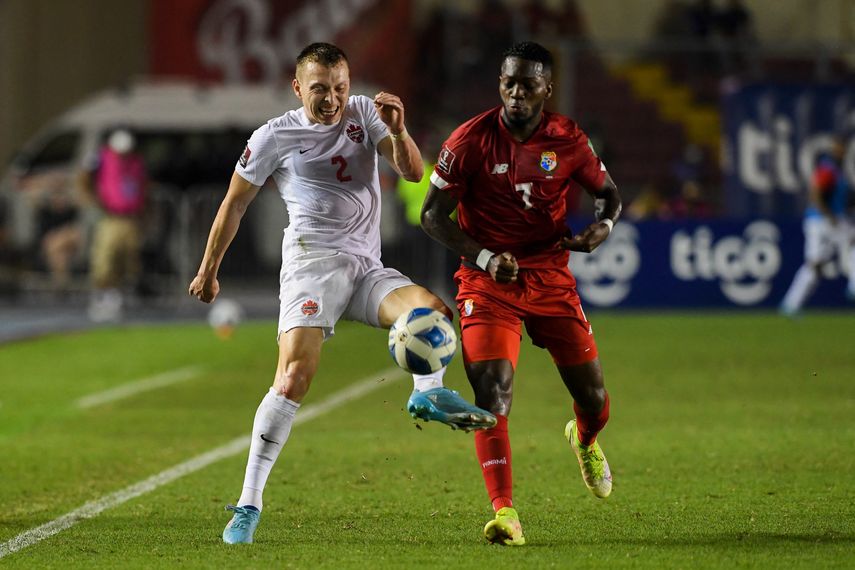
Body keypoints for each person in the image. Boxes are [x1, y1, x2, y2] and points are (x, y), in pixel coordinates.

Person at [187, 42, 496, 545]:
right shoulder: (274, 136)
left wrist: (397, 129)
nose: (331, 100)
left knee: (432, 312)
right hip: (312, 269)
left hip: (365, 269)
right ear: (296, 87)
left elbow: (413, 172)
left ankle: (425, 395)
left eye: (339, 88)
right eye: (319, 90)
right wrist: (208, 270)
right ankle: (248, 504)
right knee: (292, 379)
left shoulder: (364, 113)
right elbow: (234, 204)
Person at [421, 41, 623, 546]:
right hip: (487, 282)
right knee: (493, 391)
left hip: (550, 277)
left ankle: (585, 437)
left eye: (527, 85)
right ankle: (505, 513)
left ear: (546, 90)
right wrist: (488, 258)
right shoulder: (469, 141)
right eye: (508, 83)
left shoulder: (568, 139)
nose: (515, 93)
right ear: (500, 84)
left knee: (594, 400)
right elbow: (431, 215)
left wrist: (604, 225)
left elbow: (609, 194)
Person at [780, 138, 855, 315]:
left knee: (815, 265)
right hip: (824, 220)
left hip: (822, 220)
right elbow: (815, 194)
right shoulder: (827, 169)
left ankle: (791, 305)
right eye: (839, 150)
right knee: (852, 241)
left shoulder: (836, 171)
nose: (842, 153)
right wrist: (829, 216)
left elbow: (839, 199)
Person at [80, 128, 147, 322]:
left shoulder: (136, 162)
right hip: (110, 216)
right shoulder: (101, 157)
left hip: (130, 217)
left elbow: (143, 187)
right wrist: (92, 199)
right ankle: (102, 296)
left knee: (127, 259)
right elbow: (84, 177)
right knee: (105, 258)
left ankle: (115, 296)